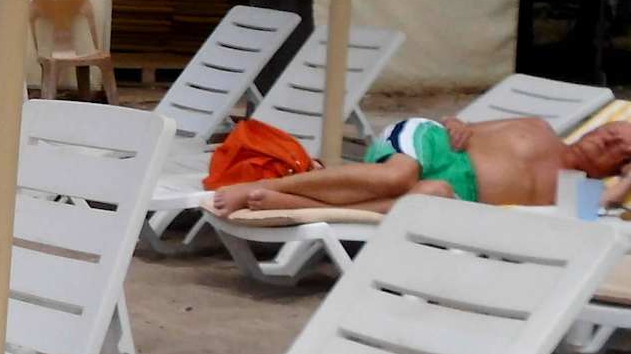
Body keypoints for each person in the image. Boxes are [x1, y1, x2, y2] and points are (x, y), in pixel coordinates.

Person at [209, 115, 631, 215]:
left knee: (432, 197)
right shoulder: (539, 129)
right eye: (608, 129)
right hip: (434, 147)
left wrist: (625, 184)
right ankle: (271, 188)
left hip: (457, 193)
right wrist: (457, 123)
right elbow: (460, 125)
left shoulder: (581, 193)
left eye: (615, 144)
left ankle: (295, 204)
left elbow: (596, 214)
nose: (603, 137)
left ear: (620, 164)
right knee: (399, 176)